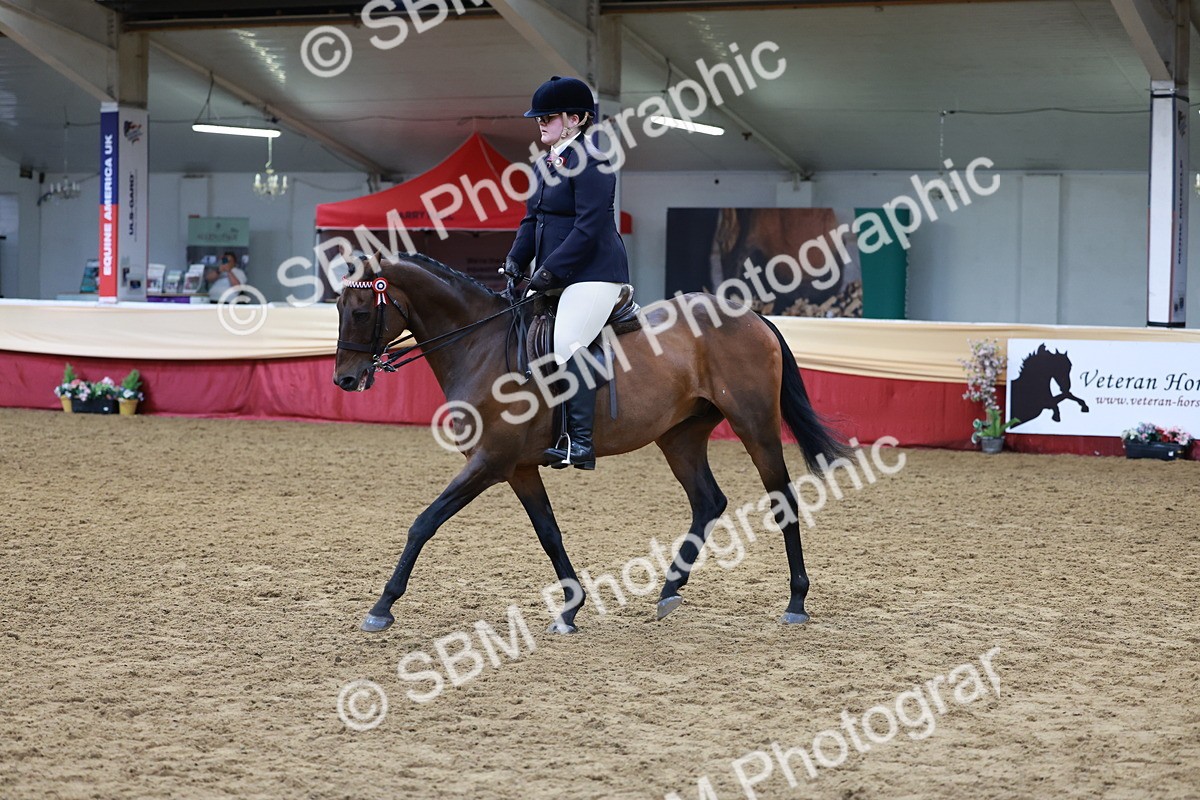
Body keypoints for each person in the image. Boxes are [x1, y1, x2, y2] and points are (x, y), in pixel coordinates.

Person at [506, 76, 630, 471]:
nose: (540, 123)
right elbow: (532, 221)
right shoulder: (544, 164)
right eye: (538, 117)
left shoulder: (594, 162)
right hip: (557, 273)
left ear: (574, 119)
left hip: (594, 273)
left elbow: (588, 228)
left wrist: (547, 272)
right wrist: (515, 260)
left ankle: (579, 442)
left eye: (548, 117)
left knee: (569, 341)